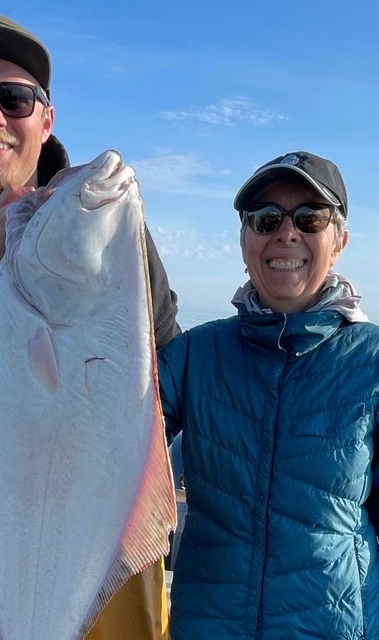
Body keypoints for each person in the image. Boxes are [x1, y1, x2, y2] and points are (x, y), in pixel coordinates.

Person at [0, 13, 180, 640]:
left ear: (45, 118)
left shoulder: (114, 232)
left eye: (15, 97)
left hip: (100, 534)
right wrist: (1, 273)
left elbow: (164, 384)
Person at [158, 151, 379, 639]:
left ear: (339, 241)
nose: (286, 233)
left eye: (309, 217)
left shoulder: (373, 360)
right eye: (265, 219)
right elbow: (108, 429)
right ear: (244, 240)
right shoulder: (195, 353)